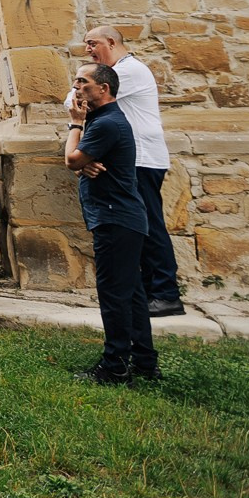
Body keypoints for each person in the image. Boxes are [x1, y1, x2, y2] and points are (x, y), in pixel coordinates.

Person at [66, 62, 157, 384]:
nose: (77, 88)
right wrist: (82, 163)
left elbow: (71, 158)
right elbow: (82, 161)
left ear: (103, 89)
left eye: (83, 83)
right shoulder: (103, 121)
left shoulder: (105, 123)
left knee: (114, 295)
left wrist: (74, 126)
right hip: (121, 217)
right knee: (130, 292)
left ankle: (115, 366)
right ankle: (145, 362)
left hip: (116, 218)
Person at [83, 25, 181, 316]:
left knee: (149, 225)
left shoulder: (129, 71)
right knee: (139, 227)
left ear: (111, 42)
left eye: (92, 43)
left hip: (143, 159)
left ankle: (166, 293)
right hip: (130, 159)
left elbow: (75, 100)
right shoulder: (118, 71)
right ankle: (149, 292)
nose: (87, 50)